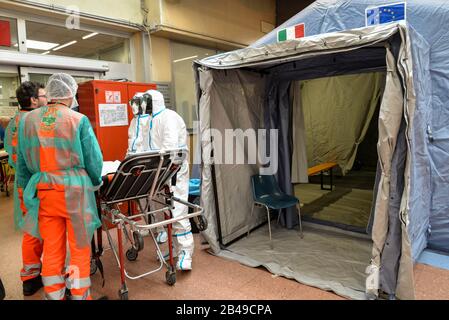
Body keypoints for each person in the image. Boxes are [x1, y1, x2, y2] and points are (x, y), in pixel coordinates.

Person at [15, 73, 103, 300]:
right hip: (75, 193)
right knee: (79, 246)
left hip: (43, 192)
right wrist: (95, 182)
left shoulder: (27, 121)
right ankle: (79, 294)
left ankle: (55, 295)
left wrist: (25, 190)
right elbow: (93, 159)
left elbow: (23, 162)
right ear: (70, 93)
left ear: (51, 94)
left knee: (52, 247)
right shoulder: (77, 119)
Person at [4, 81, 47, 296]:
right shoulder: (35, 121)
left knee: (31, 231)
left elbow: (13, 153)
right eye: (43, 95)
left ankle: (30, 278)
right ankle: (50, 274)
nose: (47, 99)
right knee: (49, 230)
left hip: (23, 184)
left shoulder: (14, 121)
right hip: (38, 184)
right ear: (33, 100)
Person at [143, 89, 194, 271]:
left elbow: (170, 148)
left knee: (178, 211)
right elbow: (146, 147)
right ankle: (173, 248)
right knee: (163, 211)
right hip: (158, 171)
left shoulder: (169, 117)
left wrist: (161, 170)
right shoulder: (149, 120)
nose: (143, 106)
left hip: (174, 170)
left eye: (145, 102)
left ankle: (186, 252)